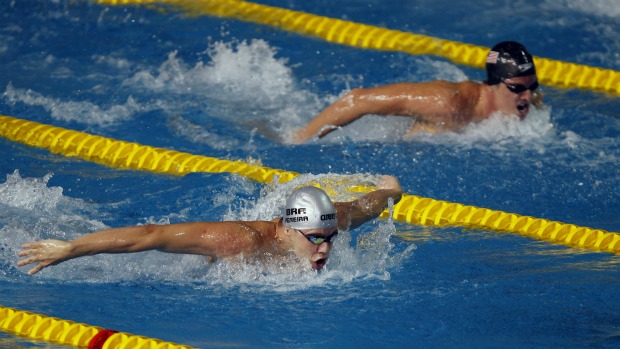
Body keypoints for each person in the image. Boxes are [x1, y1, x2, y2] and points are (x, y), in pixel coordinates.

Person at [17, 175, 403, 275]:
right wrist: (70, 248)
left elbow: (364, 205)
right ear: (286, 229)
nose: (326, 250)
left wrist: (389, 193)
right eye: (317, 239)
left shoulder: (333, 220)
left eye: (331, 239)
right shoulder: (240, 241)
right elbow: (152, 235)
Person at [293, 41, 540, 143]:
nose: (527, 97)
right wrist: (301, 140)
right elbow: (358, 99)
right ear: (494, 84)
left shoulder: (525, 102)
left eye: (532, 87)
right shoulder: (447, 102)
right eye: (517, 88)